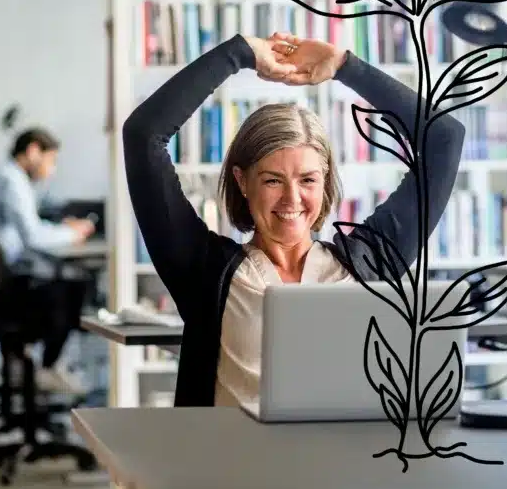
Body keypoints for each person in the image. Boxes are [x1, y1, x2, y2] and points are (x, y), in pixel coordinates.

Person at [122, 32, 466, 411]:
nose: (292, 199)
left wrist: (344, 66)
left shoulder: (371, 262)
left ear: (326, 180)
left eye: (308, 180)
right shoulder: (203, 269)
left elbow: (444, 138)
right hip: (232, 467)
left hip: (345, 464)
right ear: (242, 181)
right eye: (272, 180)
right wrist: (239, 55)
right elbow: (143, 136)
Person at [0, 127, 95, 393]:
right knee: (75, 287)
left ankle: (21, 365)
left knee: (55, 280)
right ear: (33, 151)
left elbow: (24, 228)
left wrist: (60, 230)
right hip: (3, 290)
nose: (52, 169)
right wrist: (73, 233)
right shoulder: (12, 181)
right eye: (51, 160)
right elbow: (32, 236)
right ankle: (48, 367)